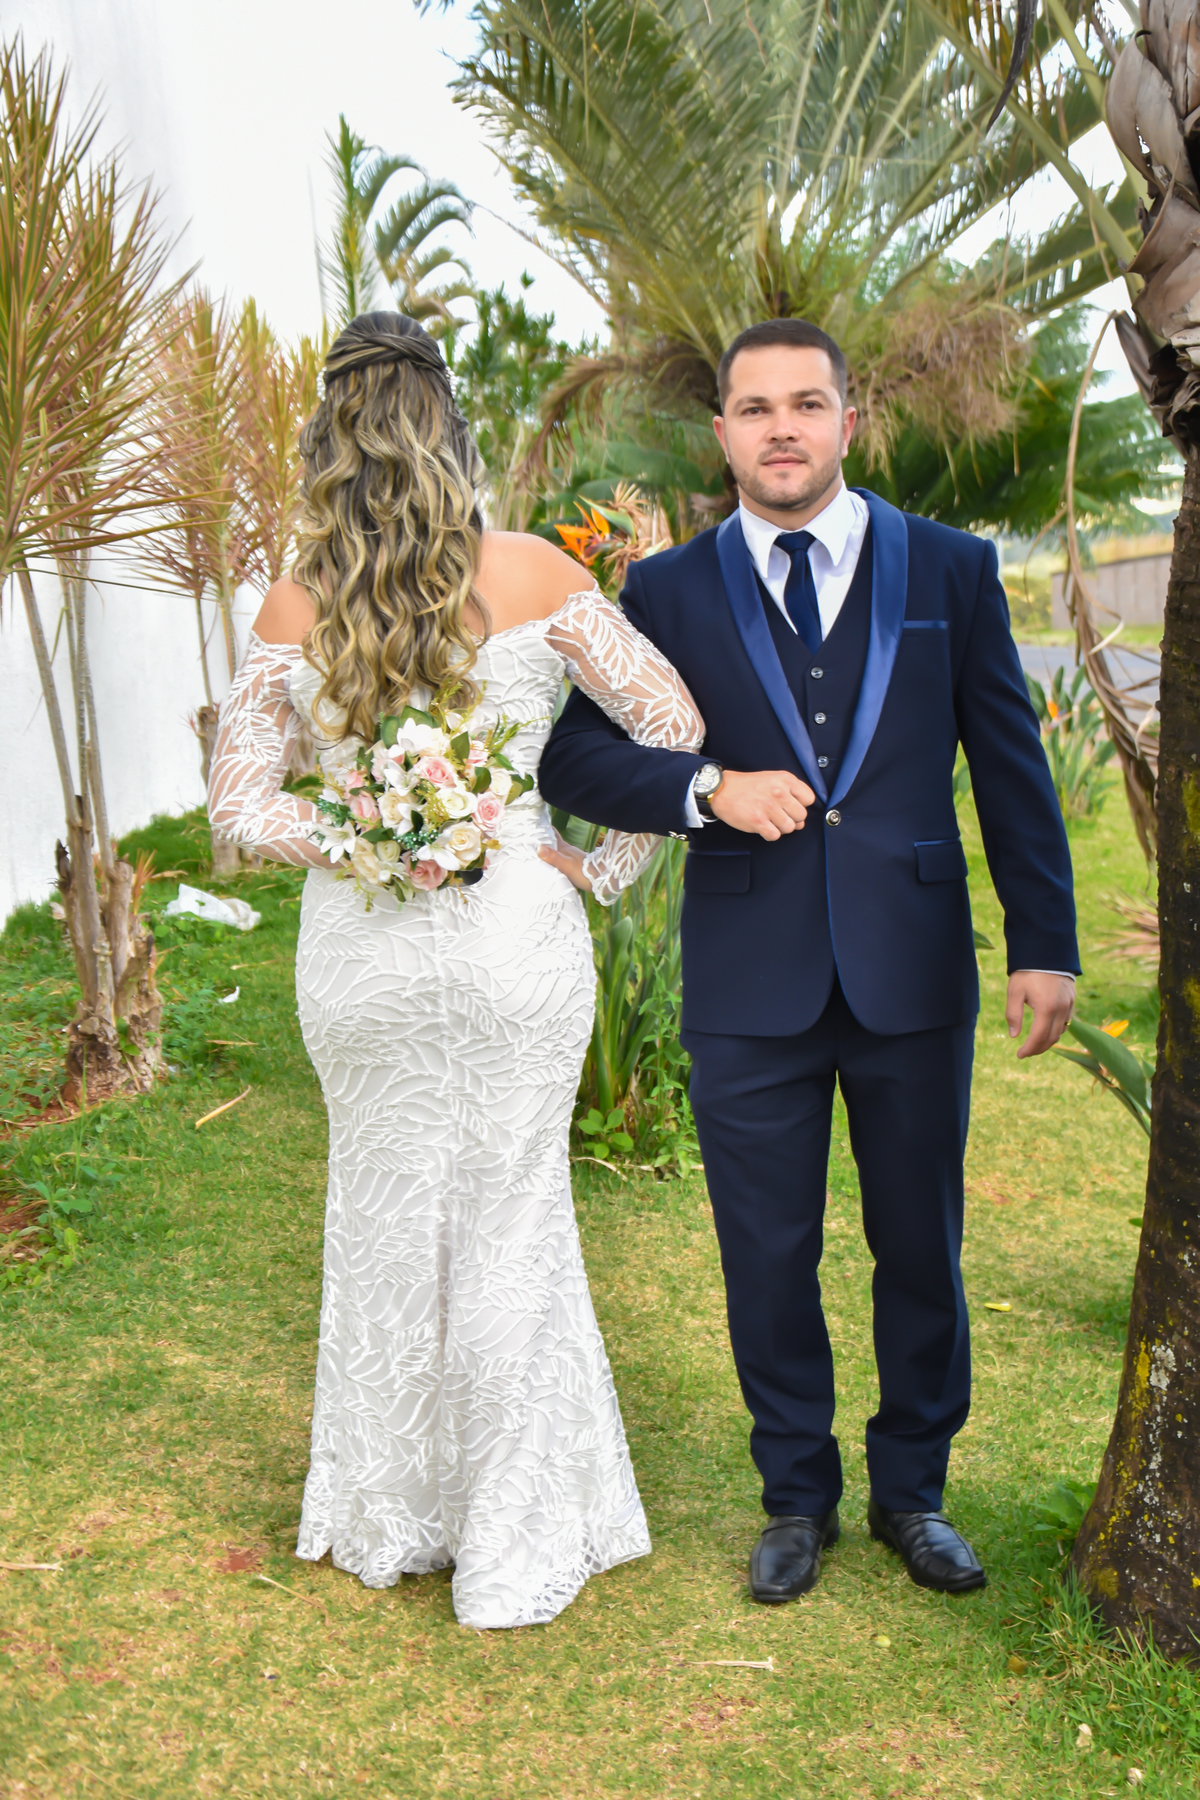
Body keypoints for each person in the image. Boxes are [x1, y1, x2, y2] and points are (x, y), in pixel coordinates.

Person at [538, 318, 1079, 1604]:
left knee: (921, 1246)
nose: (782, 428)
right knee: (765, 1253)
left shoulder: (949, 567)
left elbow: (1010, 763)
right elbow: (574, 756)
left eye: (806, 403)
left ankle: (914, 1494)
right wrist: (708, 787)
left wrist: (1045, 944)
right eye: (756, 408)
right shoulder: (666, 592)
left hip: (913, 965)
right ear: (722, 433)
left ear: (847, 420)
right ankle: (796, 1498)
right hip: (748, 973)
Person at [207, 312, 705, 1630]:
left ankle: (395, 1518)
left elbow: (240, 806)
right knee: (513, 1217)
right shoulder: (534, 570)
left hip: (361, 957)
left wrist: (364, 835)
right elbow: (674, 726)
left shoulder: (295, 599)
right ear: (451, 428)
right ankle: (516, 1530)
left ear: (329, 440)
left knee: (382, 1218)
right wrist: (600, 869)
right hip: (516, 940)